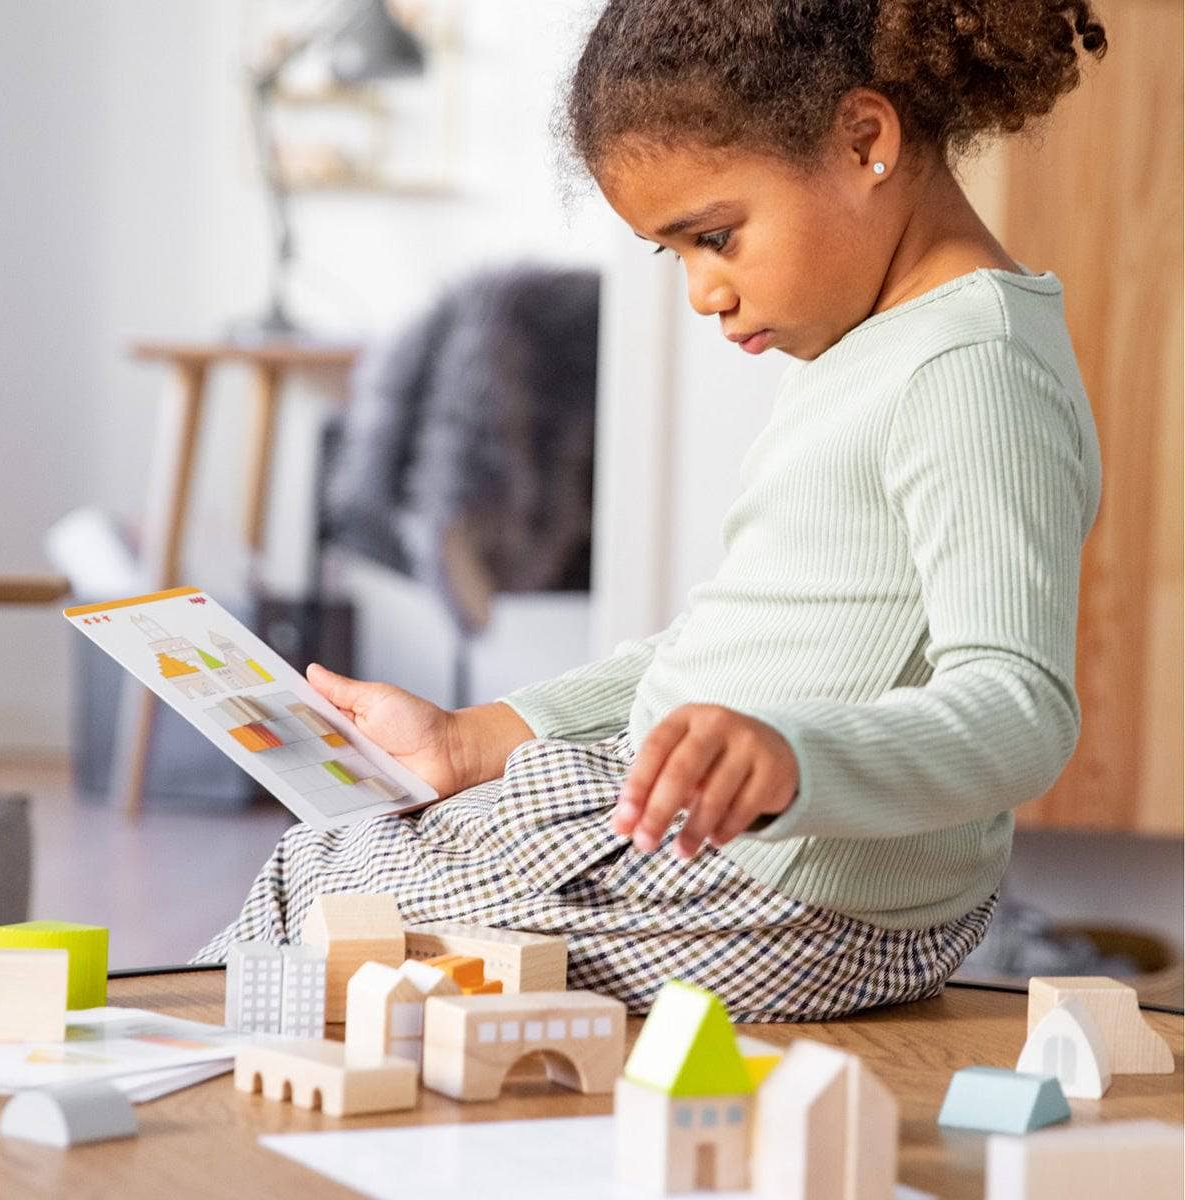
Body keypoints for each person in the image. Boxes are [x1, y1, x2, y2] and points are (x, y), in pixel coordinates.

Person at [195, 0, 1107, 1022]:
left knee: (326, 888)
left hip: (783, 903)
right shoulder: (872, 343)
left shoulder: (969, 365)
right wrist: (478, 736)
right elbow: (729, 645)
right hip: (744, 872)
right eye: (674, 255)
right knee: (347, 847)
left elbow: (1022, 710)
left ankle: (187, 1123)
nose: (703, 293)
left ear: (865, 140)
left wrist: (791, 758)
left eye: (715, 236)